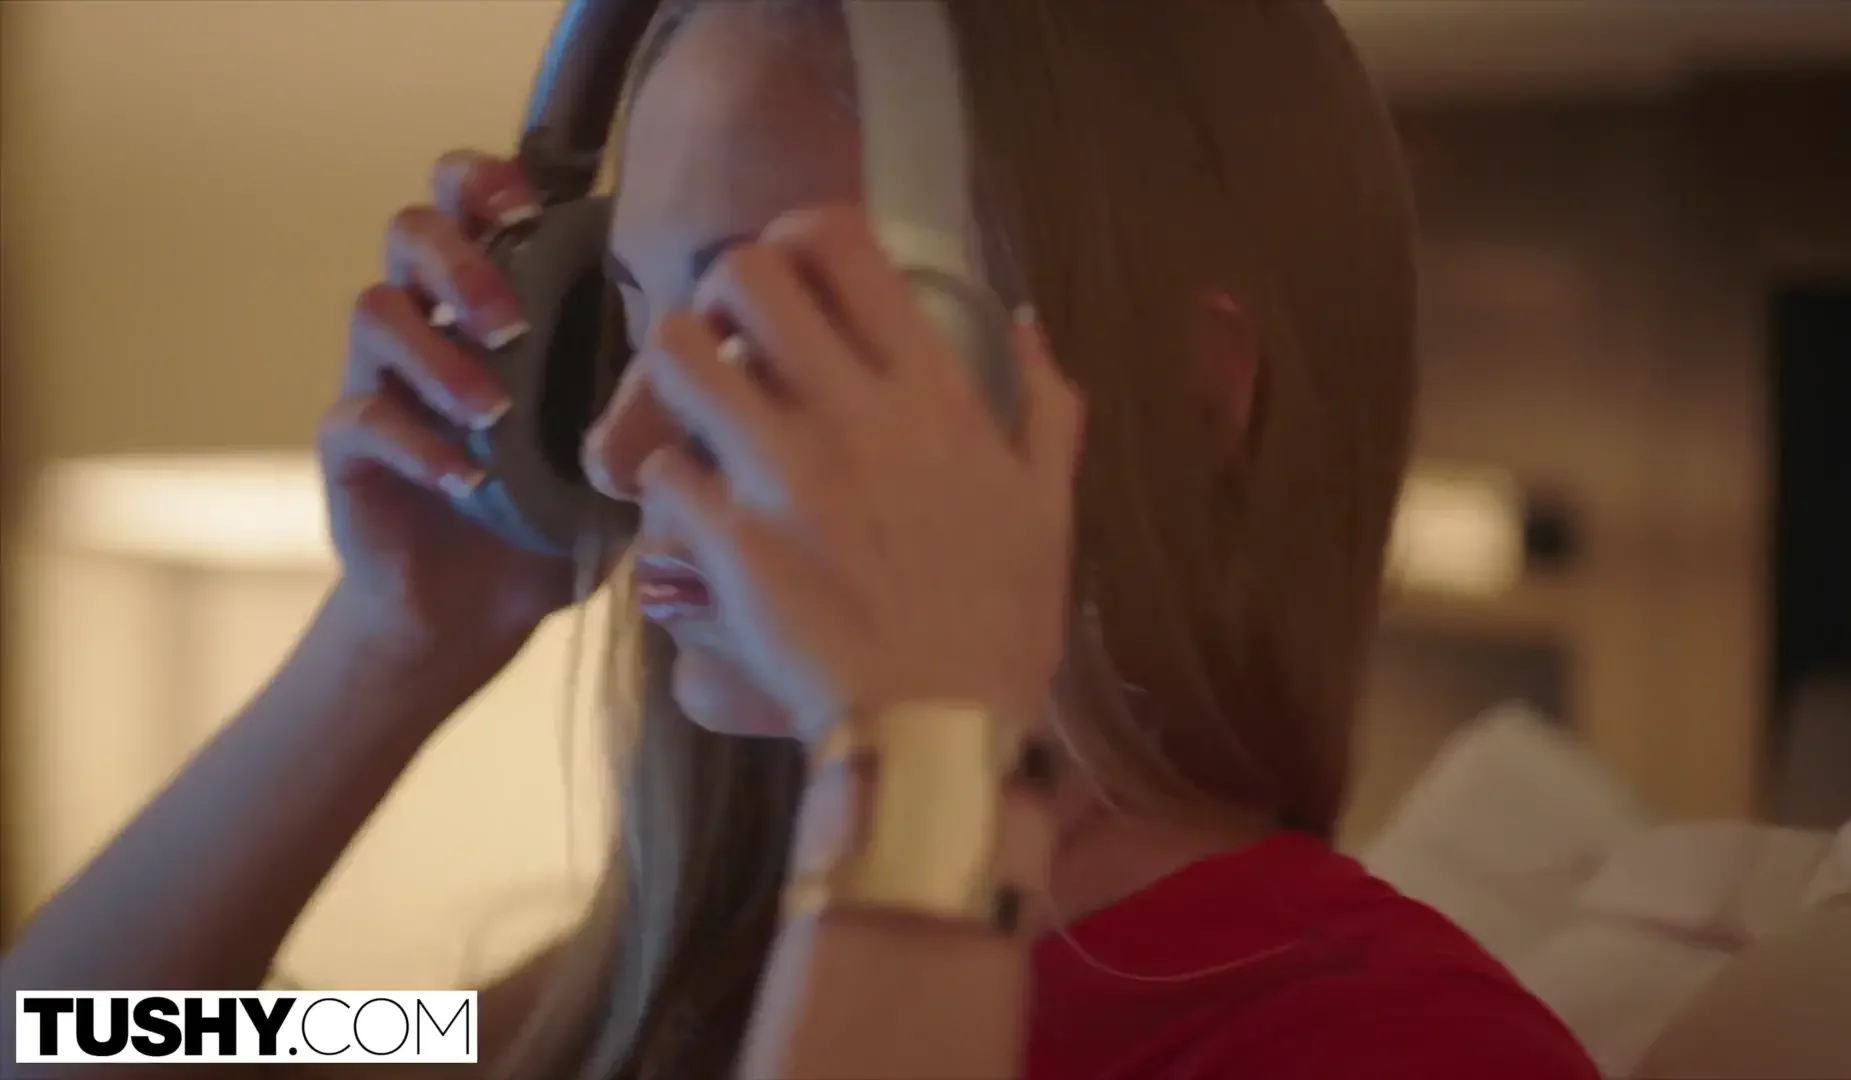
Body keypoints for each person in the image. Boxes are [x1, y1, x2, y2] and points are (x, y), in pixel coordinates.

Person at [2, 2, 1602, 1078]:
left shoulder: (1390, 1043)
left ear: (1182, 396)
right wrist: (391, 644)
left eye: (763, 334)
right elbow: (76, 1041)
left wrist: (921, 757)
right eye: (623, 327)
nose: (620, 449)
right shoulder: (662, 977)